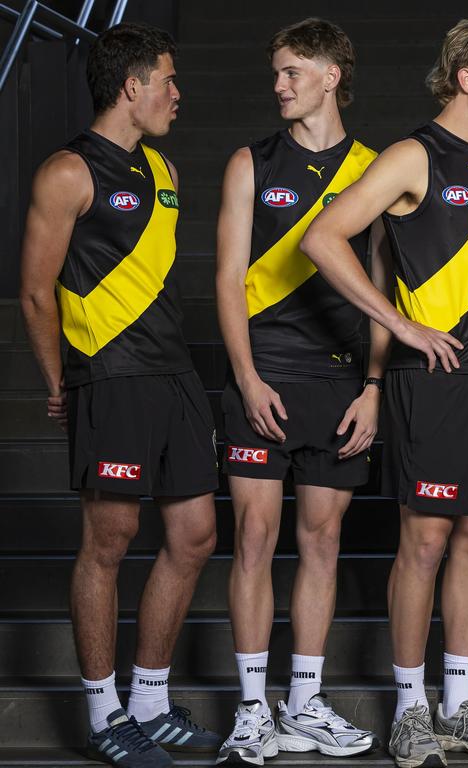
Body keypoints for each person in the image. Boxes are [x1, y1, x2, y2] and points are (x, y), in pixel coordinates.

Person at [301, 17, 468, 768]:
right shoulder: (411, 156)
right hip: (428, 382)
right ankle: (412, 709)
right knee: (426, 540)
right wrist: (395, 323)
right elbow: (323, 238)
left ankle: (460, 703)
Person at [19, 22, 221, 767]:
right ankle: (106, 716)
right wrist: (60, 381)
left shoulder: (165, 171)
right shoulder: (67, 172)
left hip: (174, 376)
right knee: (109, 542)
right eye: (167, 80)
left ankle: (150, 703)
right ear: (131, 87)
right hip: (109, 375)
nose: (177, 93)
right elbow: (37, 295)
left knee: (195, 535)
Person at [213, 18, 381, 765]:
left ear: (330, 75)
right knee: (254, 538)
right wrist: (247, 376)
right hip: (268, 371)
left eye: (291, 72)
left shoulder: (377, 168)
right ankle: (253, 708)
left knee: (322, 540)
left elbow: (384, 288)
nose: (279, 84)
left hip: (342, 378)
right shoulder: (251, 162)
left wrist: (374, 386)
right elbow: (224, 279)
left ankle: (305, 701)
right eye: (276, 72)